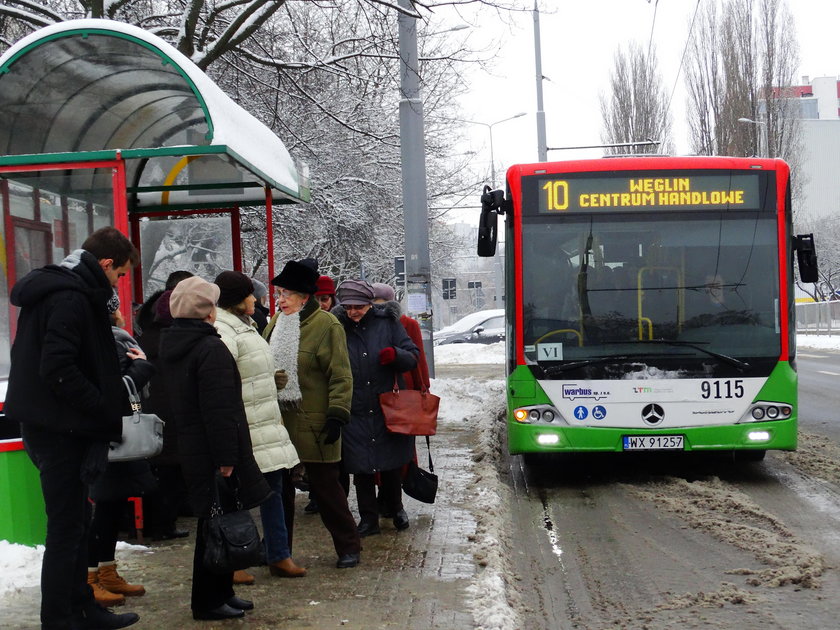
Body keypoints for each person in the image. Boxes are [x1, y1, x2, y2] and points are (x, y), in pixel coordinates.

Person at [5, 226, 141, 630]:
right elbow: (58, 368)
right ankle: (60, 618)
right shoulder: (69, 297)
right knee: (66, 528)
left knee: (77, 521)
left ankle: (82, 607)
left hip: (59, 426)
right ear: (104, 265)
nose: (118, 283)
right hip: (59, 430)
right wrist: (103, 409)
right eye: (118, 275)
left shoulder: (69, 292)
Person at [158, 276, 271, 620]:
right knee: (214, 526)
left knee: (215, 521)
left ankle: (222, 592)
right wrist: (227, 457)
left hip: (193, 446)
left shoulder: (177, 343)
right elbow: (220, 409)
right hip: (213, 449)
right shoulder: (209, 348)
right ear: (208, 312)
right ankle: (208, 601)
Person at [264, 260, 361, 569]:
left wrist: (337, 415)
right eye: (279, 293)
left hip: (316, 421)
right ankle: (279, 551)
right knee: (280, 492)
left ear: (305, 297)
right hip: (279, 421)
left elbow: (341, 375)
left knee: (327, 490)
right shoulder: (274, 324)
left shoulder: (326, 325)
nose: (280, 300)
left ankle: (349, 546)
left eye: (287, 294)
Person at [213, 270, 306, 580]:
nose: (256, 299)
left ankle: (279, 554)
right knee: (237, 495)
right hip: (246, 427)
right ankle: (235, 559)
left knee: (274, 491)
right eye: (250, 295)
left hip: (266, 423)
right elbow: (225, 382)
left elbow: (250, 374)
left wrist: (272, 380)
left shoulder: (249, 327)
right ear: (238, 300)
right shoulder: (224, 332)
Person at [333, 279, 419, 537]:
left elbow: (412, 355)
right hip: (355, 406)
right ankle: (368, 518)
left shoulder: (387, 323)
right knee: (361, 467)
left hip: (386, 405)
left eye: (358, 306)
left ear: (369, 304)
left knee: (391, 463)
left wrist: (396, 355)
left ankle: (395, 507)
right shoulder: (338, 327)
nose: (353, 312)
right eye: (348, 307)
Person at [87, 305, 156, 607]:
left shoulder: (113, 338)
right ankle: (91, 577)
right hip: (107, 436)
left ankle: (106, 570)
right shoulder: (111, 341)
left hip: (113, 435)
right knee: (101, 509)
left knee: (110, 507)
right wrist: (141, 369)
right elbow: (114, 390)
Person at [370, 282, 431, 518]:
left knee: (401, 447)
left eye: (381, 303)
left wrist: (422, 388)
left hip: (403, 395)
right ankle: (384, 495)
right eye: (374, 303)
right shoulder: (366, 324)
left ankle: (394, 498)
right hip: (377, 393)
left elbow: (418, 360)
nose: (377, 308)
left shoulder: (408, 324)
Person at [137, 287, 191, 542]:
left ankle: (156, 523)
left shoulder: (145, 338)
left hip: (151, 415)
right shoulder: (175, 340)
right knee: (172, 475)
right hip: (173, 415)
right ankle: (163, 524)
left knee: (159, 473)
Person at [303, 274, 339, 515]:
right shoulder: (308, 323)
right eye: (317, 299)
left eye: (325, 299)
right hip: (313, 406)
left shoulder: (335, 324)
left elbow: (341, 373)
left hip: (335, 404)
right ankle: (316, 497)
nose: (321, 304)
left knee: (333, 465)